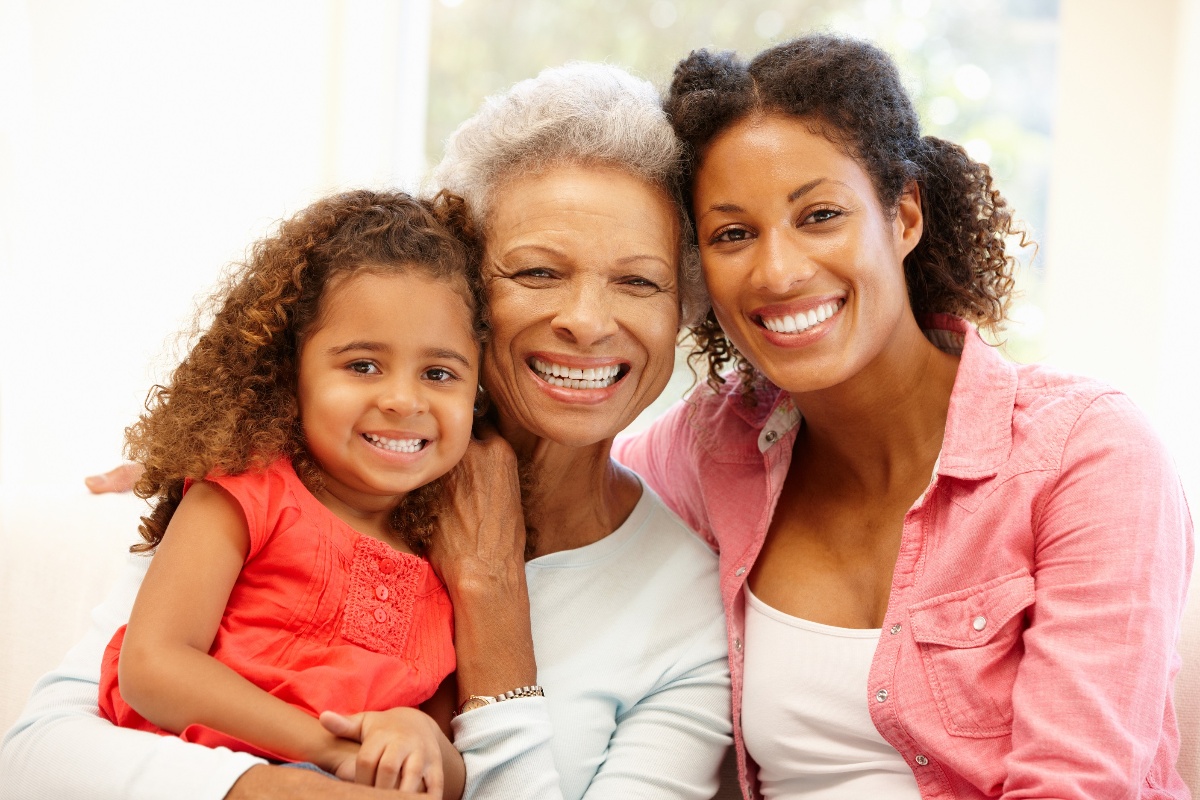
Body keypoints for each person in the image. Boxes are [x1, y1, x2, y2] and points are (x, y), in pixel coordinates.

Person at [0, 63, 731, 800]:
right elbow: (40, 755)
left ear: (684, 307)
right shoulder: (301, 470)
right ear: (466, 291)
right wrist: (280, 788)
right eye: (538, 272)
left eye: (639, 281)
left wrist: (492, 602)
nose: (587, 320)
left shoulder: (684, 606)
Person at [615, 34, 1195, 798]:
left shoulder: (1086, 455)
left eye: (819, 214)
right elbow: (560, 524)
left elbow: (1074, 785)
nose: (778, 271)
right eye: (733, 234)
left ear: (905, 215)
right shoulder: (708, 449)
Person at [106, 189, 485, 795]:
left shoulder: (448, 565)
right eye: (363, 365)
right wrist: (326, 749)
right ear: (291, 373)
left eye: (439, 374)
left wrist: (421, 739)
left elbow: (447, 763)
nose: (403, 400)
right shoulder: (245, 494)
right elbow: (152, 670)